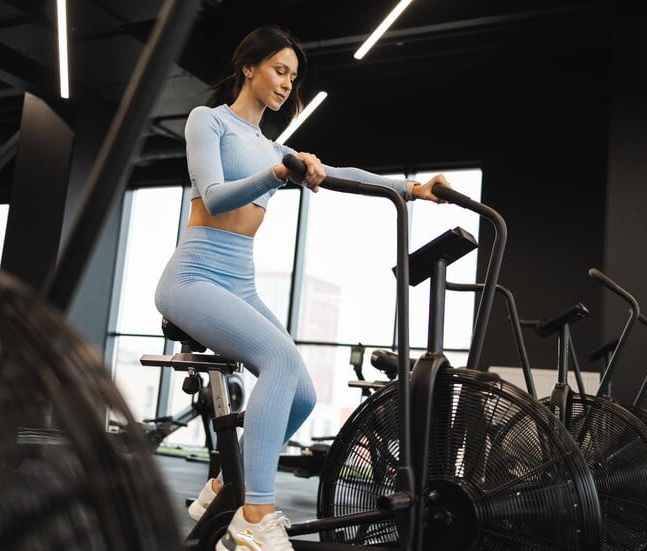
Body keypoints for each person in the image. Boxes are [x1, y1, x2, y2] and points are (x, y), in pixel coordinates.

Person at [154, 25, 451, 551]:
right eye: (279, 70)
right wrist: (277, 173)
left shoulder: (272, 146)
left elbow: (343, 174)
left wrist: (412, 188)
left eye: (293, 76)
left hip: (239, 280)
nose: (287, 83)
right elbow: (216, 197)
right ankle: (253, 514)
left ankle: (228, 482)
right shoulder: (210, 122)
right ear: (249, 67)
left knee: (304, 393)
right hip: (194, 276)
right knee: (282, 362)